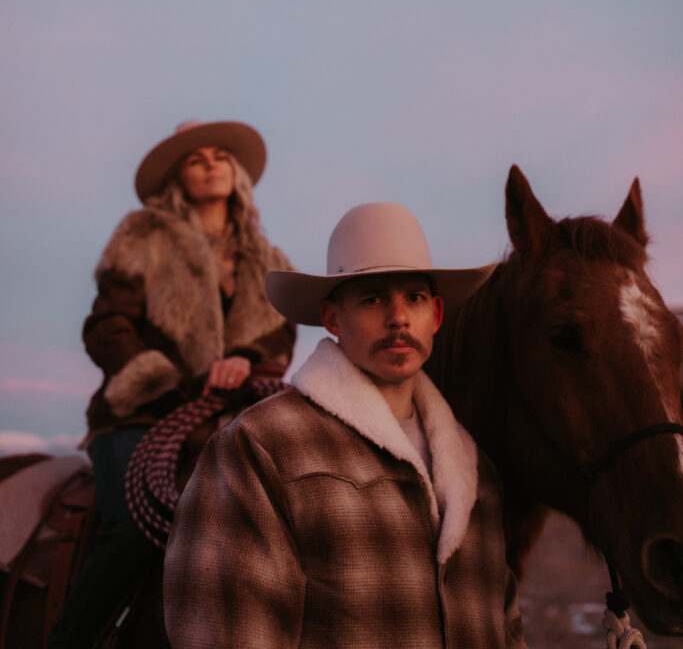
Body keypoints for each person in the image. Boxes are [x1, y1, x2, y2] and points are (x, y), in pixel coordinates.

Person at [164, 201, 527, 649]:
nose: (398, 317)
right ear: (332, 318)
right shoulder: (260, 447)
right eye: (373, 298)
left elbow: (508, 633)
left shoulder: (476, 473)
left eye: (414, 298)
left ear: (435, 316)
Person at [48, 119, 295, 649]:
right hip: (141, 413)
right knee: (132, 531)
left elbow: (280, 334)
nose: (210, 164)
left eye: (219, 156)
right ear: (177, 178)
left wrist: (247, 359)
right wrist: (170, 385)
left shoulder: (267, 260)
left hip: (230, 418)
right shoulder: (143, 235)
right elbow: (107, 327)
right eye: (194, 159)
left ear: (235, 172)